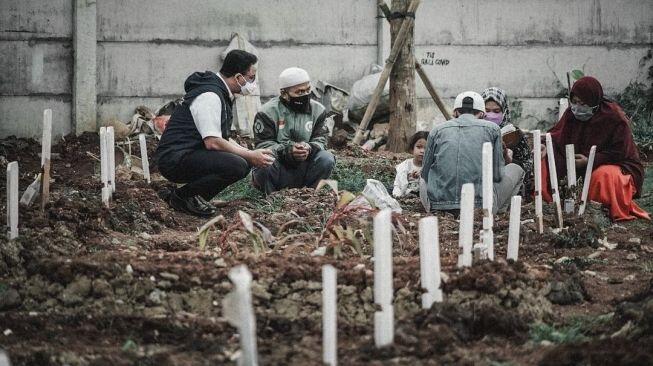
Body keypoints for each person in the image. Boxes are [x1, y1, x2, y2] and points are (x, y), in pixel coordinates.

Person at [155, 50, 275, 217]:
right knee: (237, 165)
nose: (252, 82)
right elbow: (212, 142)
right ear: (239, 77)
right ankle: (182, 198)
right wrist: (249, 154)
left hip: (187, 154)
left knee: (244, 161)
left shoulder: (219, 93)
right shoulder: (210, 95)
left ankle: (195, 197)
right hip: (174, 159)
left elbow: (222, 137)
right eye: (251, 77)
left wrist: (249, 154)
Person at [543, 76, 649, 221]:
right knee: (544, 159)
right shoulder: (571, 114)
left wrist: (590, 161)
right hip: (577, 165)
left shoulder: (613, 118)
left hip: (615, 164)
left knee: (603, 176)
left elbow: (620, 152)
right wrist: (544, 144)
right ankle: (550, 203)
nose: (577, 107)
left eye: (583, 103)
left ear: (594, 101)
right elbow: (556, 134)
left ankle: (600, 211)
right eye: (574, 102)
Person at [420, 91, 525, 214]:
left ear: (455, 112)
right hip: (479, 206)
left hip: (440, 205)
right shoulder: (493, 129)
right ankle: (498, 213)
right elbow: (497, 175)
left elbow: (425, 174)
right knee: (516, 169)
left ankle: (432, 210)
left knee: (422, 179)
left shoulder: (436, 130)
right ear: (482, 114)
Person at [251, 67, 336, 194]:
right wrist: (288, 151)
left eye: (308, 90)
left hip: (306, 166)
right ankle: (272, 198)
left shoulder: (318, 110)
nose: (305, 95)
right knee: (265, 161)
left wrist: (309, 147)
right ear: (284, 93)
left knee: (326, 158)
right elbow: (264, 145)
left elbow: (321, 140)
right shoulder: (267, 112)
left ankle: (310, 194)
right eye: (299, 92)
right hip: (279, 167)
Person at [481, 87, 533, 195]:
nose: (491, 115)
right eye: (487, 110)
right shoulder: (474, 131)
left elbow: (527, 168)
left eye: (496, 111)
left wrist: (509, 160)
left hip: (507, 188)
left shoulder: (514, 134)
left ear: (504, 111)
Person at [392, 131, 428, 198]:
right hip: (406, 195)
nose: (422, 151)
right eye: (419, 147)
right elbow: (398, 184)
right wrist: (398, 196)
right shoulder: (405, 165)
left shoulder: (430, 167)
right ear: (412, 149)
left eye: (426, 148)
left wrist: (423, 175)